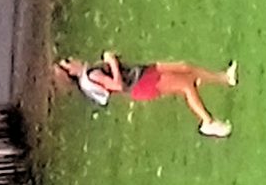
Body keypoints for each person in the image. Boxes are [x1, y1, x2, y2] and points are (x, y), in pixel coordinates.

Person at [57, 52, 238, 138]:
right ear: (71, 72)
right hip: (140, 84)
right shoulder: (92, 75)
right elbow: (118, 85)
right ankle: (208, 123)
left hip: (142, 73)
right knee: (186, 86)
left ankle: (224, 78)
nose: (72, 58)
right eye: (68, 62)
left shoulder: (90, 74)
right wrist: (112, 62)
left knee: (185, 67)